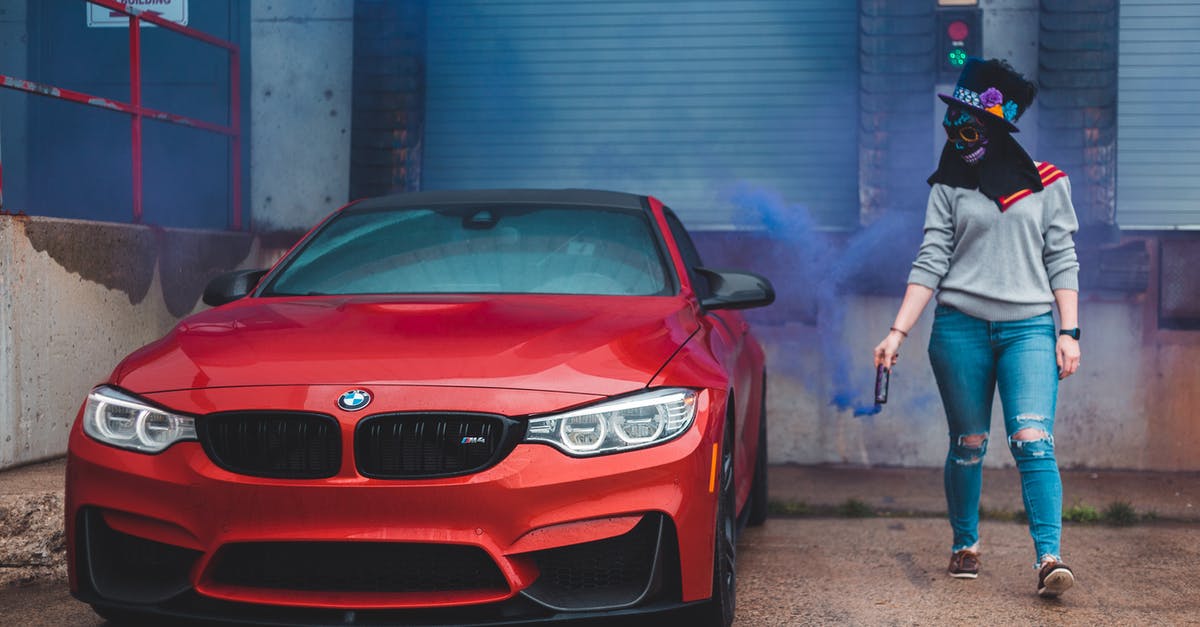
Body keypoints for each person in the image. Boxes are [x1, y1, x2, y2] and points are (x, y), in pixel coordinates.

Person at [872, 58, 1080, 598]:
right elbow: (931, 259)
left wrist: (1069, 331)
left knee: (1033, 440)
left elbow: (1062, 258)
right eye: (952, 124)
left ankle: (1050, 559)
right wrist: (897, 332)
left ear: (995, 128)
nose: (957, 136)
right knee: (968, 443)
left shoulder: (1049, 183)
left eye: (969, 126)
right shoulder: (949, 184)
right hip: (959, 328)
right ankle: (965, 543)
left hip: (1029, 329)